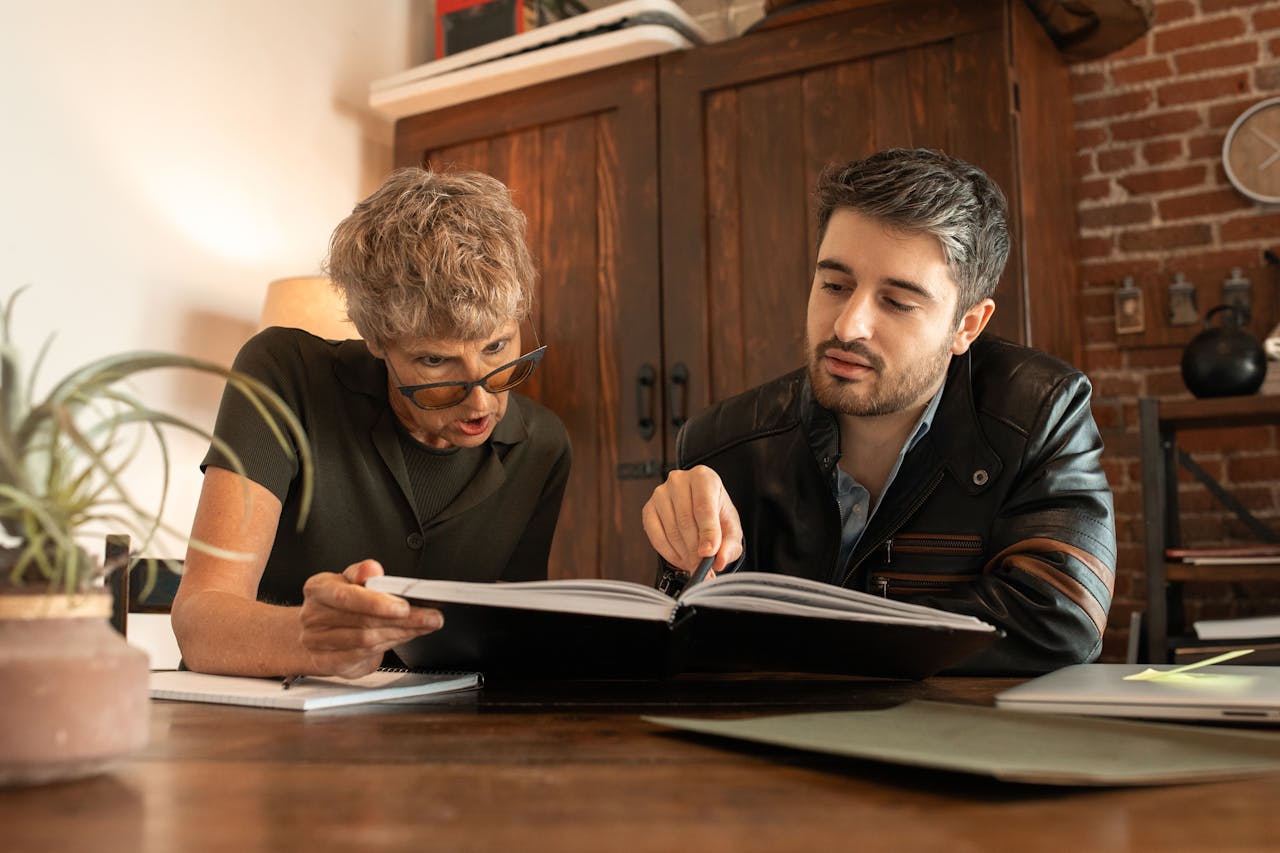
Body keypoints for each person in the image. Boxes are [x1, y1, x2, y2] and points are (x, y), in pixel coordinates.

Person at [642, 148, 1115, 674]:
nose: (848, 326)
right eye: (835, 285)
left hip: (963, 746)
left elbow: (1060, 621)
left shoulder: (1040, 413)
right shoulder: (722, 442)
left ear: (968, 327)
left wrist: (801, 637)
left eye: (897, 301)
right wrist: (682, 558)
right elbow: (688, 645)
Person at [171, 168, 571, 679]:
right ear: (376, 341)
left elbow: (509, 650)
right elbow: (199, 620)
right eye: (435, 362)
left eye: (497, 347)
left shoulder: (543, 447)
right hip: (257, 734)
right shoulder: (283, 375)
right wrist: (310, 639)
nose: (479, 401)